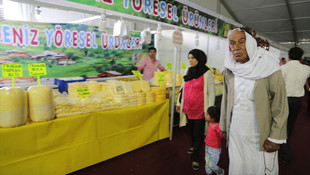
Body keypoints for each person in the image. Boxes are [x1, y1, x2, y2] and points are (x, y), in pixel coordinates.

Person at [219, 28, 289, 175]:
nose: (236, 47)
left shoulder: (268, 66)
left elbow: (280, 105)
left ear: (250, 43)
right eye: (232, 43)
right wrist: (224, 125)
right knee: (238, 166)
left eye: (241, 42)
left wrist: (276, 137)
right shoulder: (230, 69)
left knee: (259, 167)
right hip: (236, 131)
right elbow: (226, 99)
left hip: (260, 133)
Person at [176, 49, 215, 171]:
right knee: (192, 131)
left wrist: (210, 110)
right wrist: (178, 103)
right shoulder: (188, 71)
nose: (190, 60)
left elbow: (211, 92)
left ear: (200, 58)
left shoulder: (207, 73)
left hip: (200, 109)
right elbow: (183, 88)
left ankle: (195, 158)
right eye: (189, 58)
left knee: (198, 134)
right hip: (188, 108)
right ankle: (194, 146)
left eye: (193, 58)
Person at [279, 47, 310, 162]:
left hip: (285, 99)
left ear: (289, 56)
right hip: (298, 100)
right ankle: (284, 147)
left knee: (281, 125)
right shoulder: (306, 69)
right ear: (301, 58)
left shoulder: (283, 68)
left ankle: (284, 151)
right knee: (290, 125)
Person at [204, 106, 224, 175]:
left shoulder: (218, 126)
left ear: (212, 118)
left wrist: (223, 133)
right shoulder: (211, 122)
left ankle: (220, 171)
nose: (206, 115)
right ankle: (208, 173)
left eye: (207, 114)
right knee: (207, 163)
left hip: (214, 149)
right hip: (207, 147)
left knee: (212, 165)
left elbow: (222, 135)